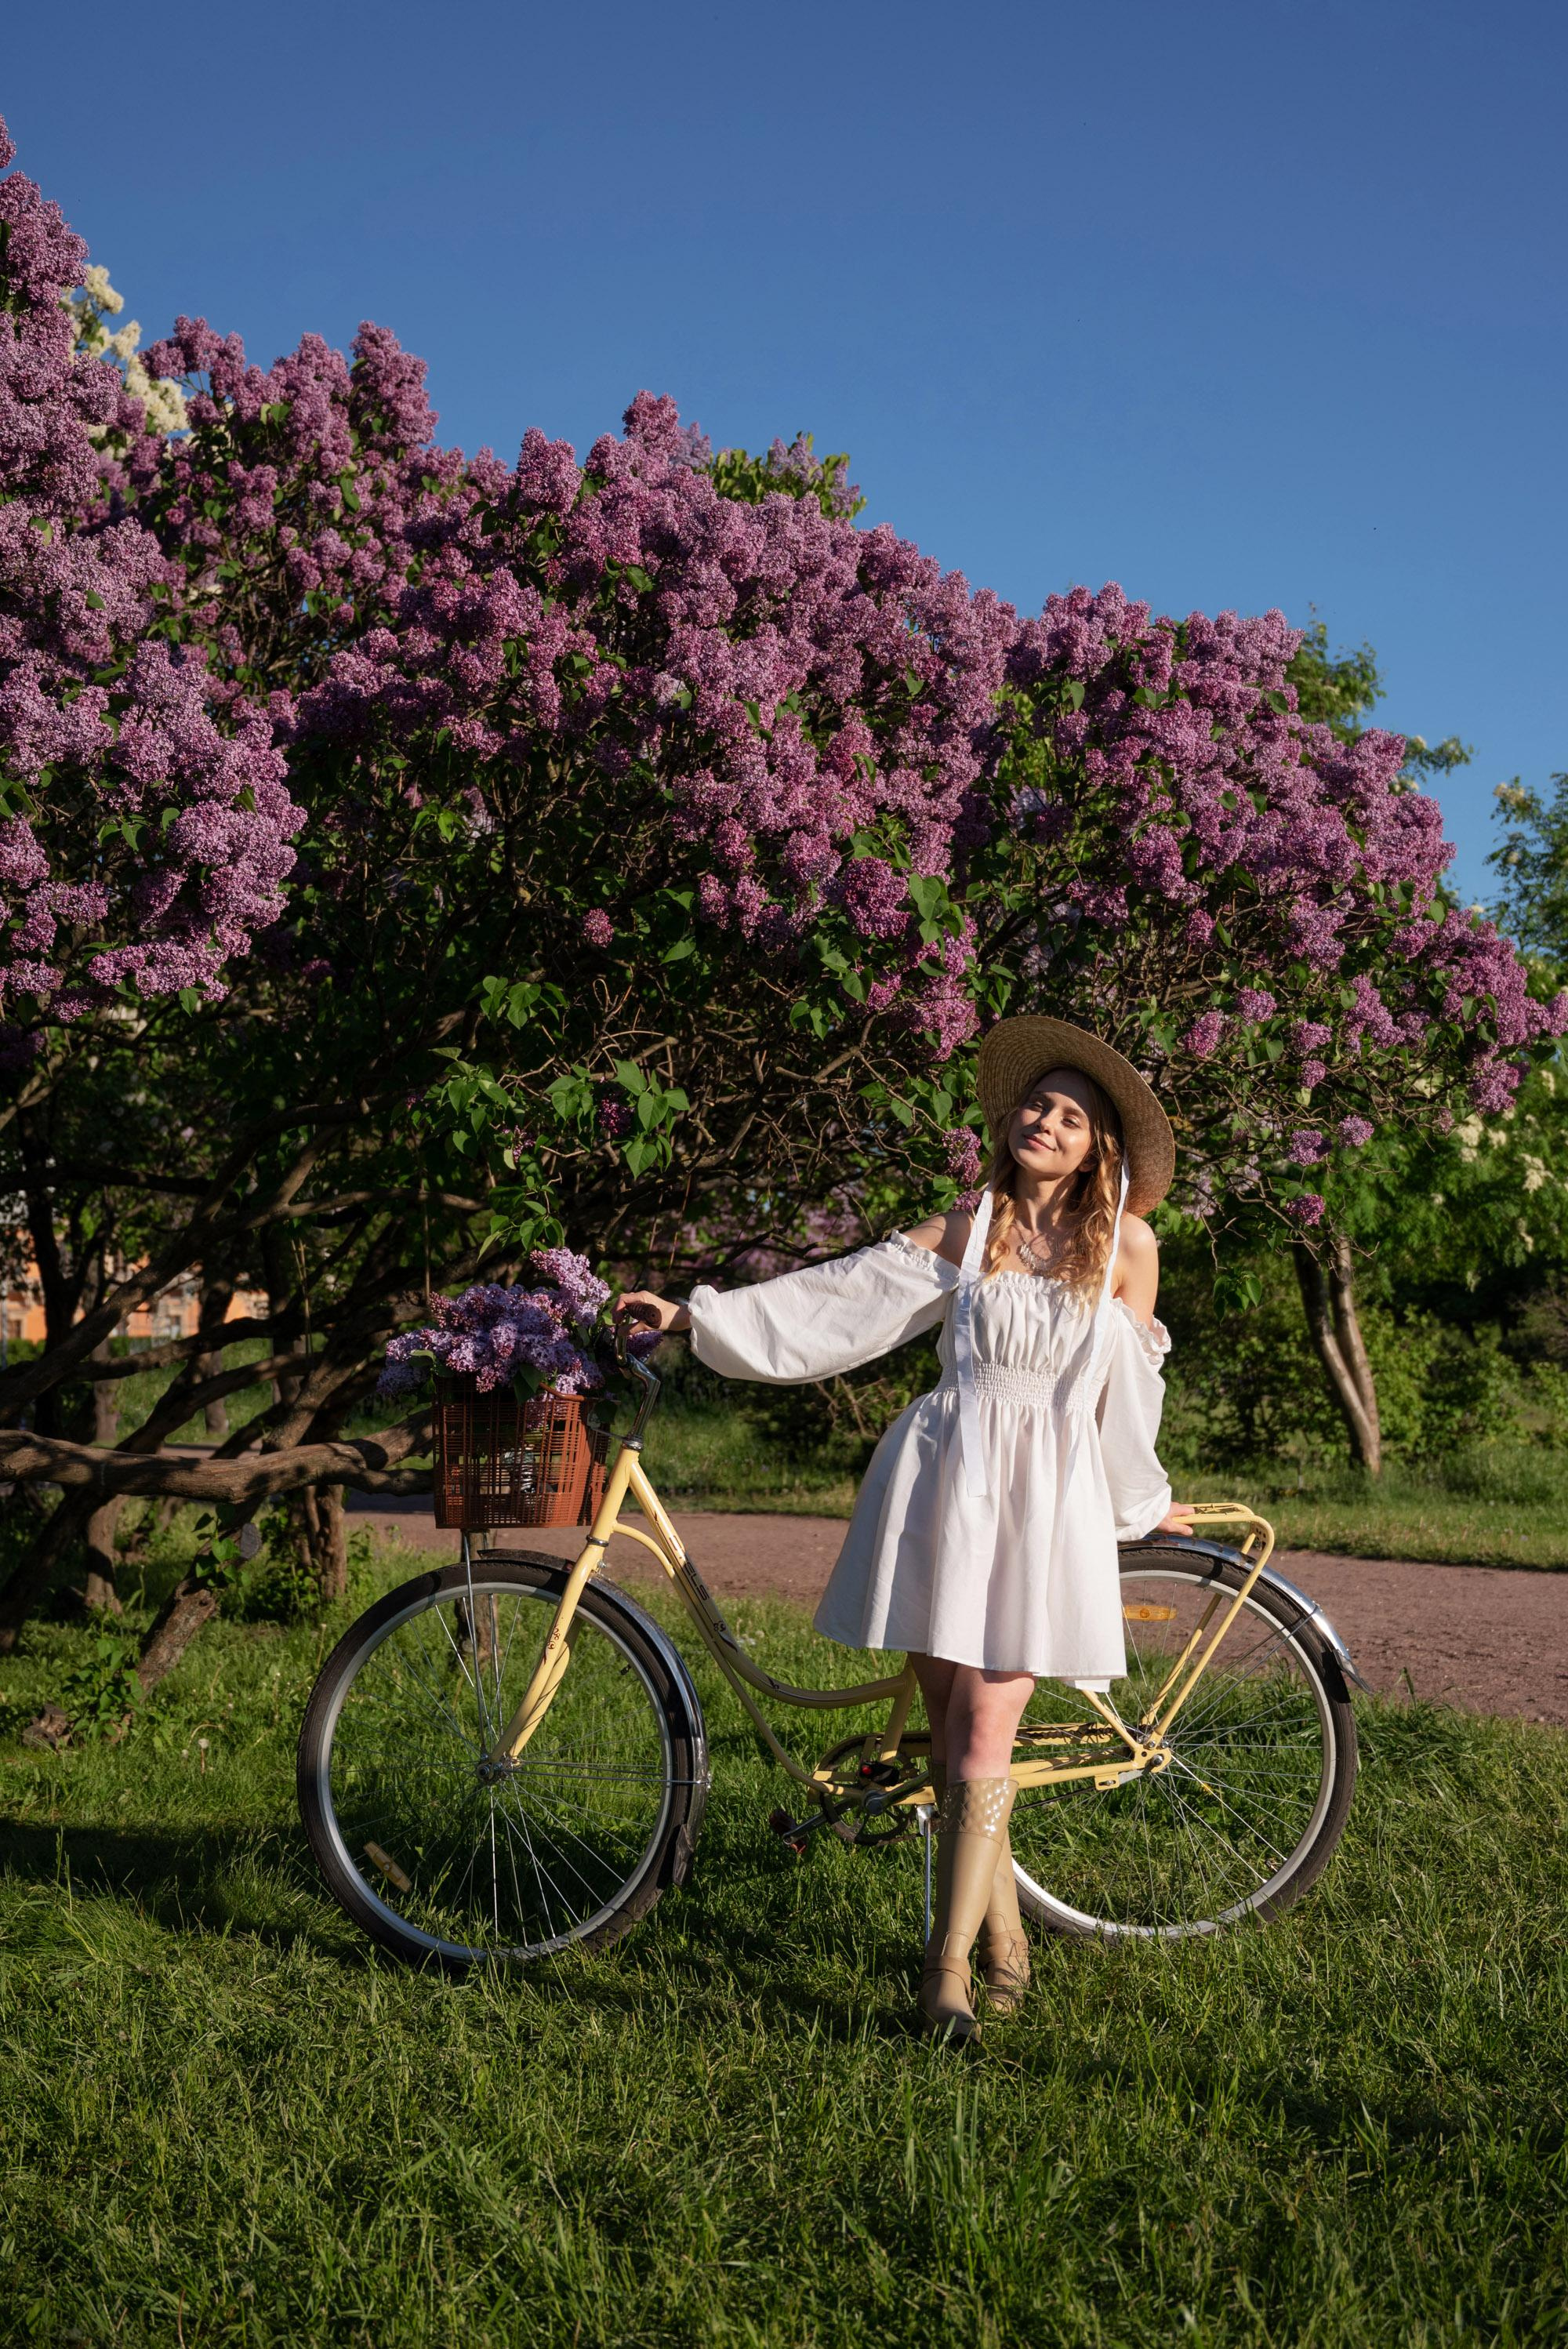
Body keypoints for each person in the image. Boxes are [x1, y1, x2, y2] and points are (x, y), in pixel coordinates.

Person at [616, 1015, 1193, 2042]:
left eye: (1071, 1114)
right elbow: (835, 1303)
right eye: (1037, 1104)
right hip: (946, 1487)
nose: (1045, 1122)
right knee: (956, 1731)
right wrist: (697, 1319)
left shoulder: (1126, 1248)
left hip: (1044, 1502)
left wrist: (1141, 1505)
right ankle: (1006, 1945)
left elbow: (1127, 1398)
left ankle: (946, 1977)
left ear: (1100, 1142)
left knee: (986, 1725)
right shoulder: (967, 1229)